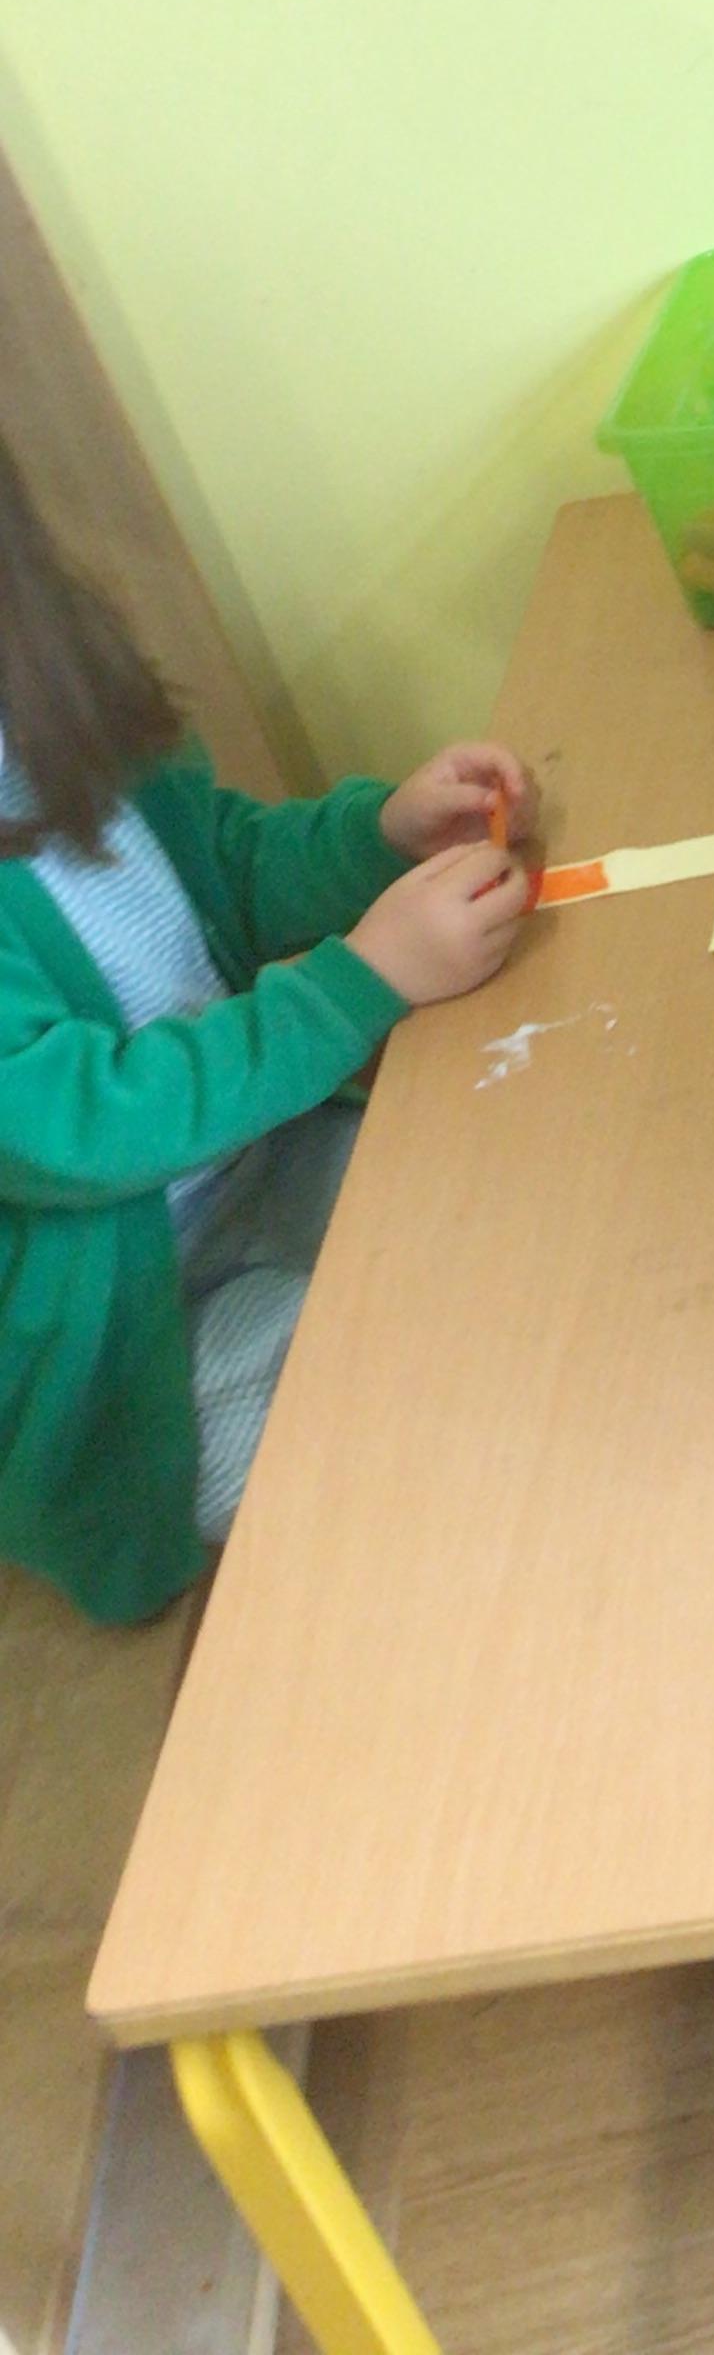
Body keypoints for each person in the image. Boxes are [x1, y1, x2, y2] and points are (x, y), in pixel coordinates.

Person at [0, 432, 534, 1623]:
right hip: (123, 1325)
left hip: (261, 1152)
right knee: (388, 1486)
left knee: (516, 1252)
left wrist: (376, 835)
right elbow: (76, 1123)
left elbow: (225, 868)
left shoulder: (50, 708)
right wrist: (360, 982)